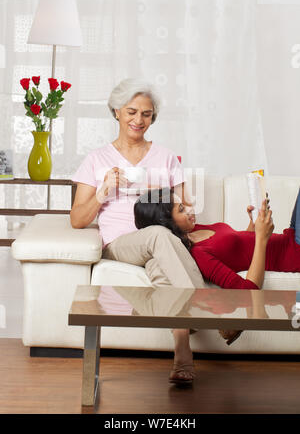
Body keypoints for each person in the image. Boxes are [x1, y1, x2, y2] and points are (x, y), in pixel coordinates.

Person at [70, 78, 205, 385]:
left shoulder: (166, 157)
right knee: (157, 235)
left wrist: (167, 200)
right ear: (116, 111)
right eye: (131, 112)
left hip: (162, 243)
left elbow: (187, 217)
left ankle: (183, 356)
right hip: (121, 244)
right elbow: (77, 219)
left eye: (146, 114)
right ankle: (206, 306)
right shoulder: (97, 159)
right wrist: (104, 190)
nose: (138, 120)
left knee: (163, 269)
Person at [134, 186, 300, 364]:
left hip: (289, 237)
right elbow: (248, 291)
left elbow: (240, 251)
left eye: (184, 204)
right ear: (167, 223)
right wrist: (261, 237)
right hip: (295, 253)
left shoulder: (194, 228)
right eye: (181, 209)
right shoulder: (198, 254)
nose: (190, 209)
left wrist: (252, 226)